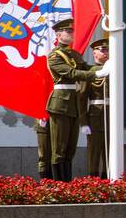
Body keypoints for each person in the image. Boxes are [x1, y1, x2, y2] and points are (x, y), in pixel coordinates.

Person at [46, 19, 107, 182]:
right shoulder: (54, 56)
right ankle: (58, 183)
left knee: (70, 148)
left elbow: (86, 68)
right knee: (59, 148)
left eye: (72, 31)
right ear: (58, 35)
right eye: (68, 31)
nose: (72, 34)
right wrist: (97, 73)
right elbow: (72, 74)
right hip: (59, 104)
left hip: (72, 104)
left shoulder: (74, 54)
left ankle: (67, 183)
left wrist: (104, 67)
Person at [85, 38, 110, 178]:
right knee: (94, 152)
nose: (105, 52)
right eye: (102, 50)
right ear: (95, 53)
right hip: (95, 117)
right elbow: (82, 98)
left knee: (110, 151)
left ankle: (108, 178)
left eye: (107, 50)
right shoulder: (90, 71)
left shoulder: (114, 70)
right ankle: (93, 181)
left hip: (111, 115)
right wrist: (83, 122)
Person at [35, 116, 53, 181]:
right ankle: (45, 183)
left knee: (58, 155)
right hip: (43, 125)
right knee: (44, 157)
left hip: (57, 123)